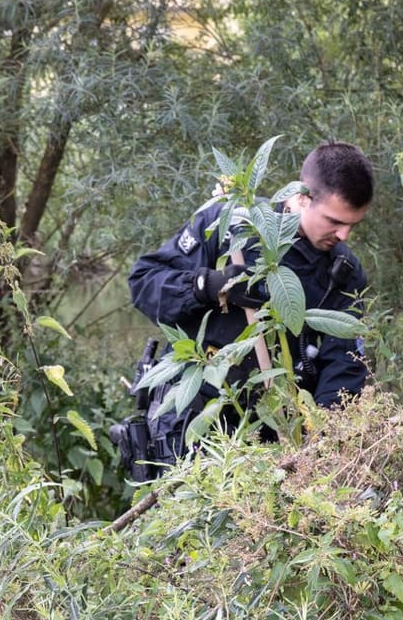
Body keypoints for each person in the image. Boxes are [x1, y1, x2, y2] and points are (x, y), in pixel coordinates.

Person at [119, 141, 375, 476]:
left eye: (353, 224)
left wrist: (319, 448)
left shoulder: (342, 274)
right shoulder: (231, 225)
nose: (343, 234)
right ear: (301, 196)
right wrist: (207, 286)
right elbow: (144, 283)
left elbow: (344, 365)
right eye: (333, 221)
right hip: (193, 427)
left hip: (276, 447)